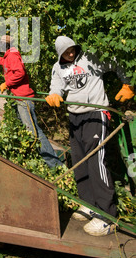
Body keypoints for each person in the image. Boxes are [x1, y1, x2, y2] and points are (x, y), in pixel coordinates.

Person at [46, 35, 134, 236]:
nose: (70, 53)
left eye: (72, 49)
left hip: (96, 114)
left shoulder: (91, 58)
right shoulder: (57, 68)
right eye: (66, 52)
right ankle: (88, 204)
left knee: (96, 161)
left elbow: (118, 63)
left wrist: (127, 85)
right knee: (79, 160)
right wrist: (55, 94)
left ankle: (107, 216)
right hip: (75, 116)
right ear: (60, 54)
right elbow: (56, 86)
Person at [0, 35, 64, 169]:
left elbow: (19, 72)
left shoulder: (13, 56)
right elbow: (6, 64)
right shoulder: (9, 56)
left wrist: (7, 83)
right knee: (28, 131)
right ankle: (43, 162)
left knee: (34, 133)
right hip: (20, 99)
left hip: (24, 100)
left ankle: (55, 166)